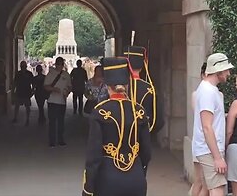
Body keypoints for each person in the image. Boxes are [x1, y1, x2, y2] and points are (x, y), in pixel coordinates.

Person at [82, 57, 151, 196]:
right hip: (136, 176)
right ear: (127, 85)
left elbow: (94, 156)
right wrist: (138, 171)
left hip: (108, 178)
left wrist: (88, 188)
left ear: (107, 86)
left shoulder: (100, 112)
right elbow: (146, 152)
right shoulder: (139, 111)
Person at [193, 53, 234, 196]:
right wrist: (217, 157)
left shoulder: (209, 90)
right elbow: (207, 126)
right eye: (226, 70)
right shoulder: (208, 92)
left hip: (209, 148)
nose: (229, 73)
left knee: (207, 188)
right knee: (217, 189)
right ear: (219, 71)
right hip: (210, 149)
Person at [123, 46, 164, 133]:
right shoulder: (149, 89)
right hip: (143, 138)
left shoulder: (116, 88)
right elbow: (158, 121)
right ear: (142, 67)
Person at [190, 63, 209, 196]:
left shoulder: (197, 93)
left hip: (200, 141)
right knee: (203, 183)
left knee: (201, 182)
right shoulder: (198, 94)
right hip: (204, 141)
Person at [44, 57, 71, 147]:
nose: (60, 66)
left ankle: (60, 139)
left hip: (62, 101)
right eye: (58, 64)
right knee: (52, 121)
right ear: (56, 64)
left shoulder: (66, 75)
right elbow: (45, 86)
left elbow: (70, 86)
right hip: (52, 100)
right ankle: (52, 141)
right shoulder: (50, 74)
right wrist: (54, 89)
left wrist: (67, 92)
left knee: (61, 121)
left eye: (61, 64)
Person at [12, 61, 34, 125]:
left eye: (24, 66)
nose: (23, 67)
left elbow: (33, 83)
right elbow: (15, 83)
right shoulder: (18, 74)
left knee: (27, 107)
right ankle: (15, 118)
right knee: (17, 106)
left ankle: (27, 119)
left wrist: (32, 91)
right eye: (22, 66)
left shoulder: (29, 73)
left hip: (26, 92)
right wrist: (13, 91)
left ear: (26, 66)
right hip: (19, 92)